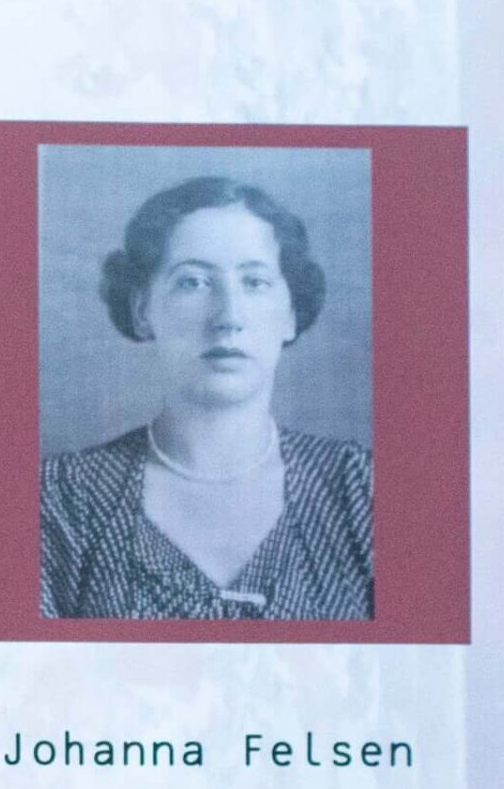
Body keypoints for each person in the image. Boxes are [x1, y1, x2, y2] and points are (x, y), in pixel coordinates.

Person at [40, 175, 373, 621]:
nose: (228, 317)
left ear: (290, 314)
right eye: (193, 282)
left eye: (254, 282)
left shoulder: (362, 491)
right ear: (143, 311)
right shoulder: (61, 499)